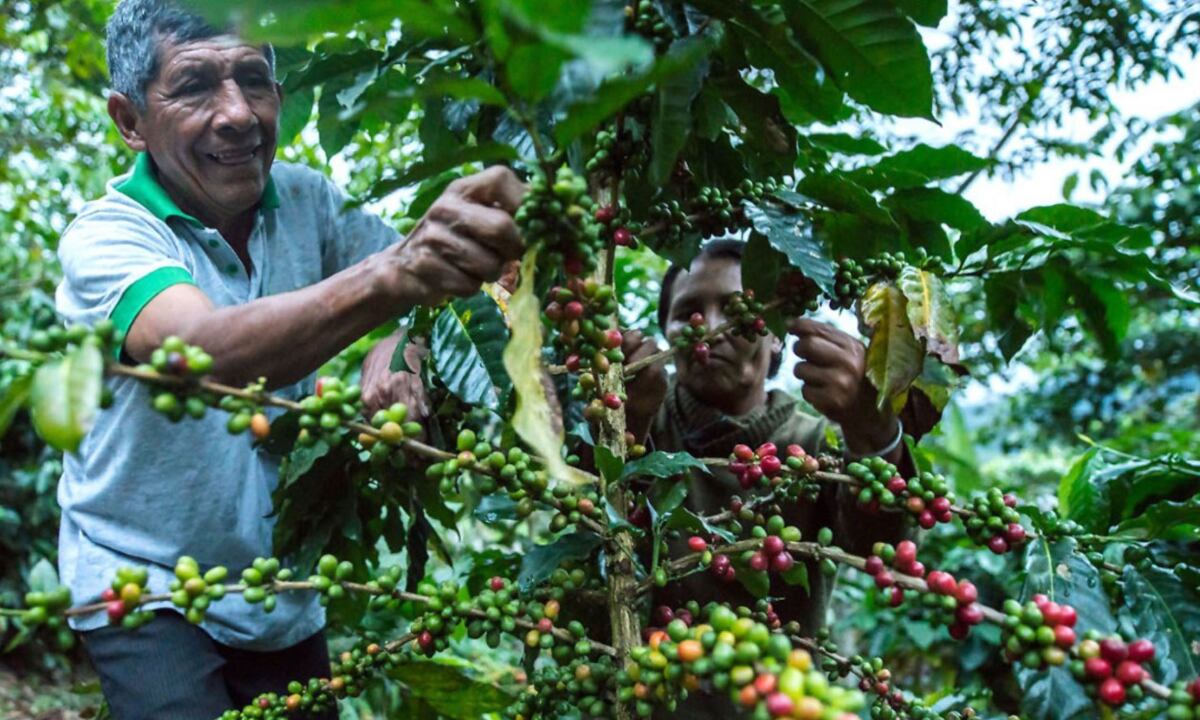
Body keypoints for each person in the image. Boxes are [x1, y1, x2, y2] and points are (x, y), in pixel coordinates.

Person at [53, 1, 524, 717]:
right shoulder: (108, 236)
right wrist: (394, 276)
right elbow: (205, 357)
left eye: (255, 78)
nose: (238, 112)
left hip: (280, 584)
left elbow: (424, 298)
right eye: (195, 86)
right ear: (130, 120)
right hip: (139, 574)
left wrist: (397, 349)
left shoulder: (307, 201)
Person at [622, 239, 915, 637]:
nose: (707, 329)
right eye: (687, 312)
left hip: (779, 696)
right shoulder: (639, 425)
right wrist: (624, 428)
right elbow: (589, 539)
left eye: (734, 310)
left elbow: (884, 545)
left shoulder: (815, 449)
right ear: (665, 335)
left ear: (776, 333)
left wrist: (871, 430)